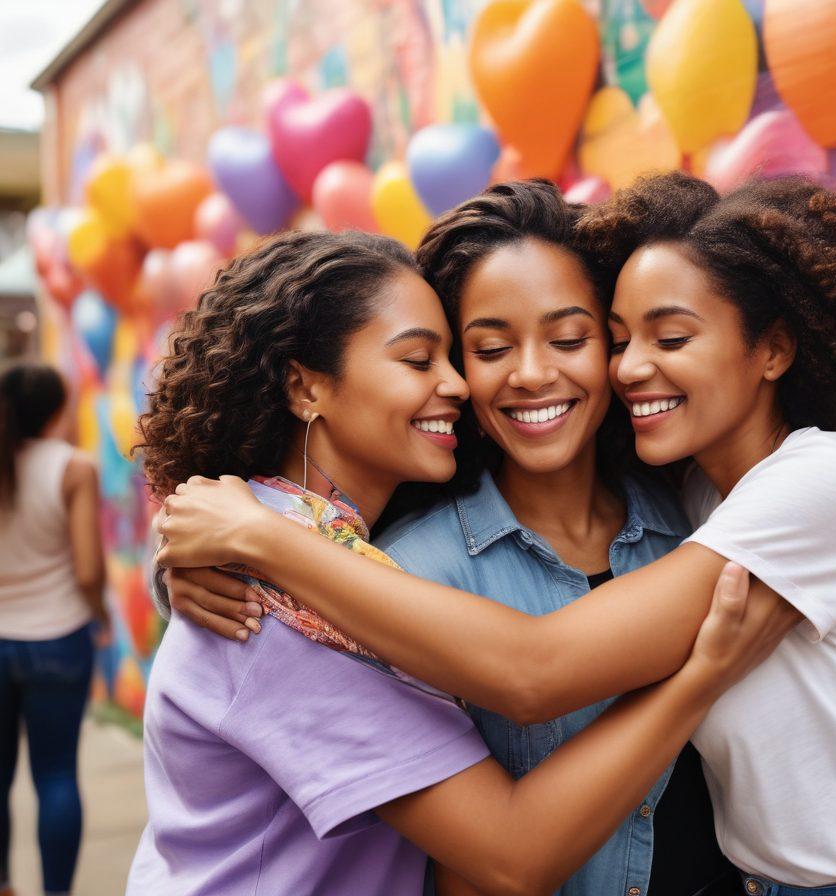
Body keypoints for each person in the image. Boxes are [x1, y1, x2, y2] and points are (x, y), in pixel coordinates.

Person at [157, 174, 836, 896]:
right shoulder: (378, 571)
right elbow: (496, 836)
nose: (529, 374)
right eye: (478, 350)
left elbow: (544, 669)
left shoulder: (714, 503)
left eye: (579, 338)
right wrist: (220, 547)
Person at [128, 228, 791, 896]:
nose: (456, 383)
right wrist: (705, 672)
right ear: (304, 389)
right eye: (422, 360)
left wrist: (227, 542)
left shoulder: (315, 550)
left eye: (453, 356)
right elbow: (511, 850)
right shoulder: (279, 601)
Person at [0, 362, 108, 896]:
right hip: (59, 638)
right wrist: (104, 617)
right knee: (58, 775)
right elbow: (88, 570)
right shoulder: (72, 467)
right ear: (56, 409)